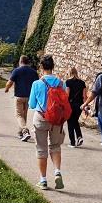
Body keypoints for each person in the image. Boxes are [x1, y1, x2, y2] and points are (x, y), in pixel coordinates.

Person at [29, 54, 66, 190]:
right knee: (55, 146)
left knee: (41, 149)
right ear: (53, 66)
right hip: (56, 119)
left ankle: (43, 180)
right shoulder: (61, 83)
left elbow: (32, 104)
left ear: (41, 67)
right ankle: (57, 172)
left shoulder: (37, 83)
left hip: (41, 118)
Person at [5, 55, 39, 142]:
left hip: (19, 97)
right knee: (24, 115)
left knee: (19, 115)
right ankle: (21, 133)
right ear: (28, 62)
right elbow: (37, 84)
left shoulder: (17, 71)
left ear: (20, 61)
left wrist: (7, 88)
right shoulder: (33, 72)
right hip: (29, 97)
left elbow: (10, 82)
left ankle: (24, 130)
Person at [65, 67, 87, 147]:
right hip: (80, 106)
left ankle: (72, 142)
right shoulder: (82, 83)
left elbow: (67, 95)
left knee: (70, 122)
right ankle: (79, 136)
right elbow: (84, 96)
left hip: (70, 105)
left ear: (69, 73)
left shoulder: (68, 82)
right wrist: (85, 106)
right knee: (75, 120)